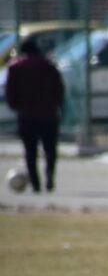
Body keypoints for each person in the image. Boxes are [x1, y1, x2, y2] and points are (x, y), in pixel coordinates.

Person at [4, 38, 65, 194]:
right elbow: (59, 89)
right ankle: (49, 175)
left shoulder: (16, 67)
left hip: (27, 115)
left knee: (30, 151)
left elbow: (10, 92)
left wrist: (17, 106)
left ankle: (36, 183)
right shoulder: (49, 66)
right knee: (50, 149)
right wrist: (57, 106)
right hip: (49, 114)